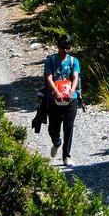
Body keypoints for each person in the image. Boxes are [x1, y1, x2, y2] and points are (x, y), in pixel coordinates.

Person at [31, 34, 80, 166]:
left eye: (67, 48)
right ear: (58, 47)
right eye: (63, 47)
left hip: (70, 99)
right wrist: (56, 91)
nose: (65, 50)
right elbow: (49, 77)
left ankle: (66, 155)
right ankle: (56, 142)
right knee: (53, 128)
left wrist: (72, 91)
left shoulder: (73, 61)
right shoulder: (50, 61)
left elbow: (75, 77)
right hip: (54, 99)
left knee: (68, 127)